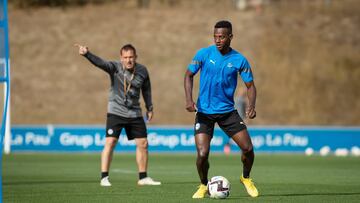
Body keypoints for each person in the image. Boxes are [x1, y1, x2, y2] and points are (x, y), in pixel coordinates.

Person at [184, 20, 259, 198]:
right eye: (216, 36)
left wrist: (252, 105)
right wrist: (189, 99)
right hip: (204, 112)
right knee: (202, 154)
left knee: (248, 149)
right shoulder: (203, 54)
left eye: (222, 37)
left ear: (230, 37)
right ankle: (203, 185)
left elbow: (250, 86)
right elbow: (188, 75)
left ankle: (246, 178)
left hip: (227, 112)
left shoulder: (239, 59)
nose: (218, 40)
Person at [75, 43, 161, 186]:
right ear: (121, 58)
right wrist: (87, 54)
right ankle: (104, 178)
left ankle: (143, 178)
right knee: (110, 142)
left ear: (136, 57)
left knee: (143, 143)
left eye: (131, 57)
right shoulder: (114, 68)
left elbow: (146, 90)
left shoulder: (142, 71)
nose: (128, 60)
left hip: (134, 112)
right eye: (125, 57)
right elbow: (100, 63)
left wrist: (149, 107)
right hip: (116, 111)